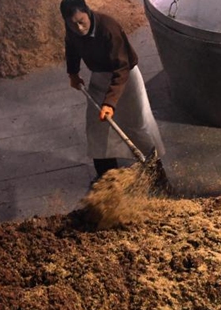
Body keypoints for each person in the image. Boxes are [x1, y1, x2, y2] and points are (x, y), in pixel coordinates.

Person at [59, 0, 169, 188]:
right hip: (100, 76)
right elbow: (72, 48)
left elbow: (121, 68)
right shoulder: (72, 31)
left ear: (88, 13)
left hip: (126, 79)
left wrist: (110, 102)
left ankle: (157, 177)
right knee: (97, 127)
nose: (78, 28)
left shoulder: (108, 28)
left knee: (138, 126)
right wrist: (73, 73)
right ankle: (107, 178)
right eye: (73, 24)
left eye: (81, 22)